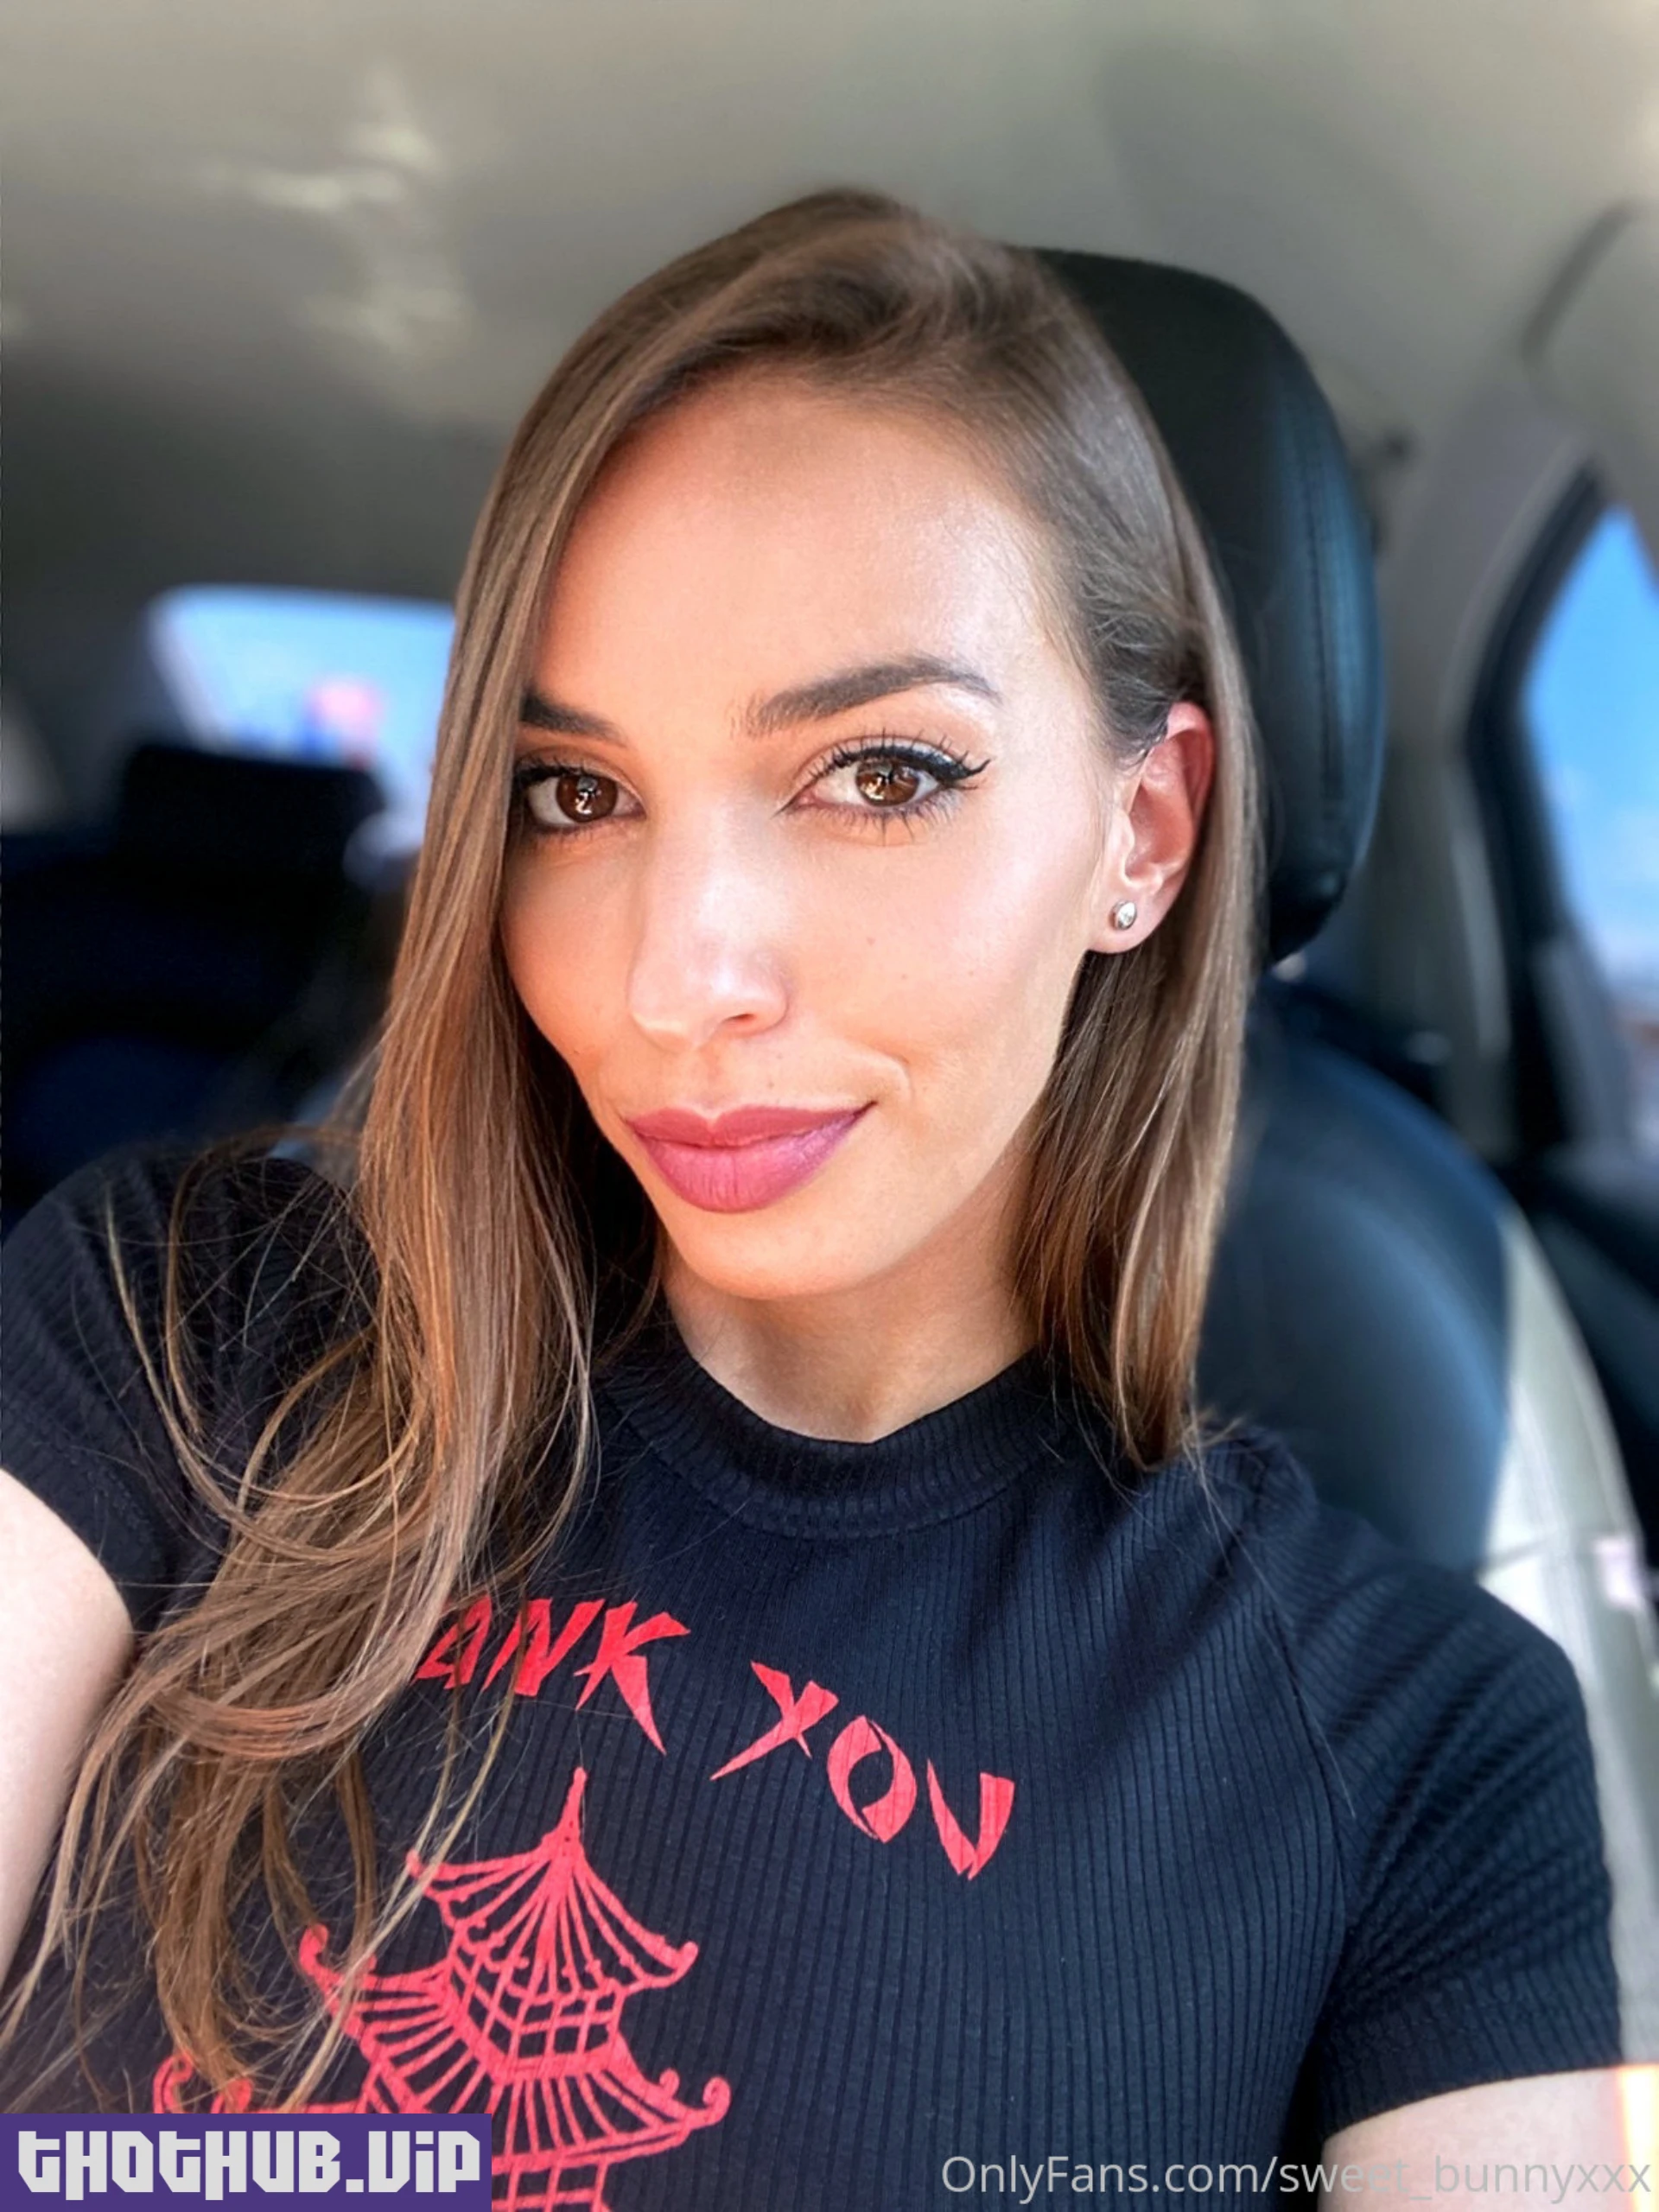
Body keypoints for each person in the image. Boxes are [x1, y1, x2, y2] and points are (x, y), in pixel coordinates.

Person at [0, 189, 1634, 2199]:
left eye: (878, 773)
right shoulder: (178, 1324)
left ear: (1144, 831)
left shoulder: (1416, 1739)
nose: (678, 977)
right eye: (577, 793)